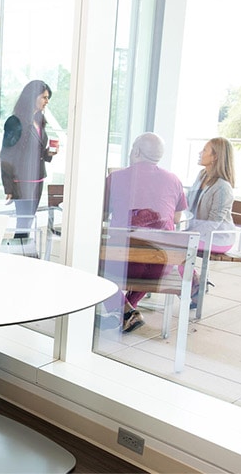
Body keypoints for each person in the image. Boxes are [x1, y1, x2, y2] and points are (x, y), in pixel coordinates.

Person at [101, 132, 188, 332]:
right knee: (149, 254)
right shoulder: (174, 180)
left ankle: (123, 310)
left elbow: (102, 214)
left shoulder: (116, 178)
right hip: (162, 265)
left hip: (124, 264)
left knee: (90, 262)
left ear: (137, 151)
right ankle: (127, 312)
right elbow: (176, 218)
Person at [0, 80, 56, 240]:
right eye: (44, 97)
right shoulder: (15, 122)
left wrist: (48, 154)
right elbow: (6, 155)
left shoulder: (39, 121)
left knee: (28, 222)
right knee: (23, 224)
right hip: (21, 182)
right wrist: (9, 188)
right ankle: (23, 253)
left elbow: (35, 152)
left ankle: (25, 251)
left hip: (37, 180)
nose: (47, 101)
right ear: (32, 97)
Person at [185, 137, 236, 308]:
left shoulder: (223, 187)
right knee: (174, 242)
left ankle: (195, 286)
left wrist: (186, 231)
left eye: (205, 150)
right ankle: (197, 283)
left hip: (218, 238)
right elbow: (188, 204)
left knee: (177, 245)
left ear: (215, 156)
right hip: (199, 232)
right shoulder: (202, 176)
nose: (200, 152)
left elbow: (213, 224)